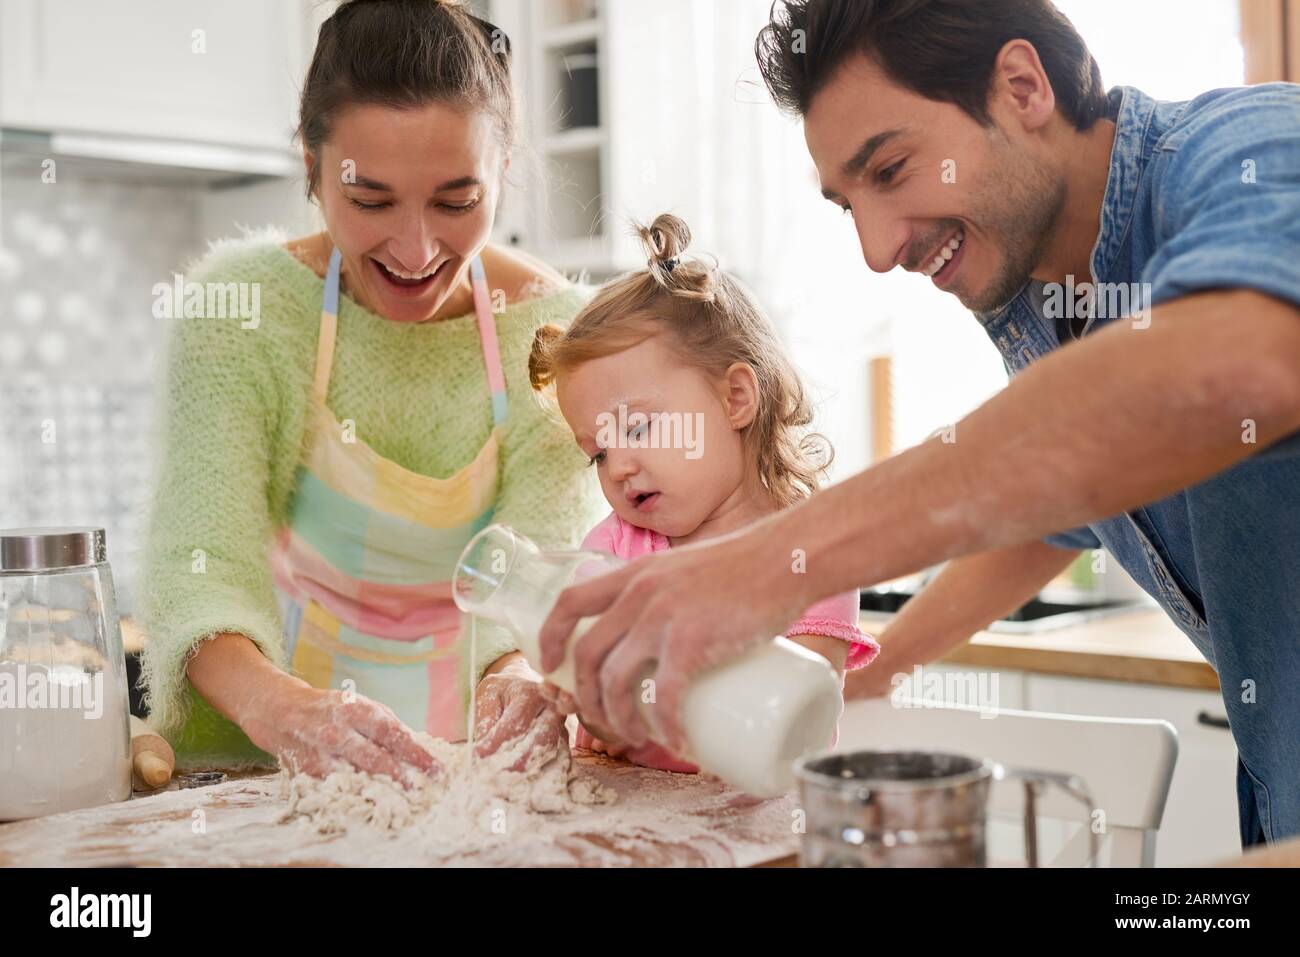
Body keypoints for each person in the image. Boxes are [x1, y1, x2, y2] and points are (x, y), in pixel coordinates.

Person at [539, 0, 1300, 847]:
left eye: (892, 168)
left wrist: (767, 566)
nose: (876, 247)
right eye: (846, 203)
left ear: (1021, 87)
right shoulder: (1045, 298)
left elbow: (1237, 363)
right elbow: (1060, 514)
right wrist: (879, 669)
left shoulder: (1251, 150)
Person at [141, 0, 603, 779]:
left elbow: (536, 583)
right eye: (372, 200)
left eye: (457, 201)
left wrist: (517, 685)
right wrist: (281, 710)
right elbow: (200, 565)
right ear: (312, 170)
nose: (417, 248)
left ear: (504, 175)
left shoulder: (557, 335)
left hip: (474, 766)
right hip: (253, 766)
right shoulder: (241, 310)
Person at [527, 213, 879, 769]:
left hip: (763, 834)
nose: (617, 466)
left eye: (636, 428)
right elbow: (592, 691)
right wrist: (598, 716)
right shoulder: (610, 553)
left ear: (736, 397)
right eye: (597, 452)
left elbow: (796, 713)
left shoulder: (810, 553)